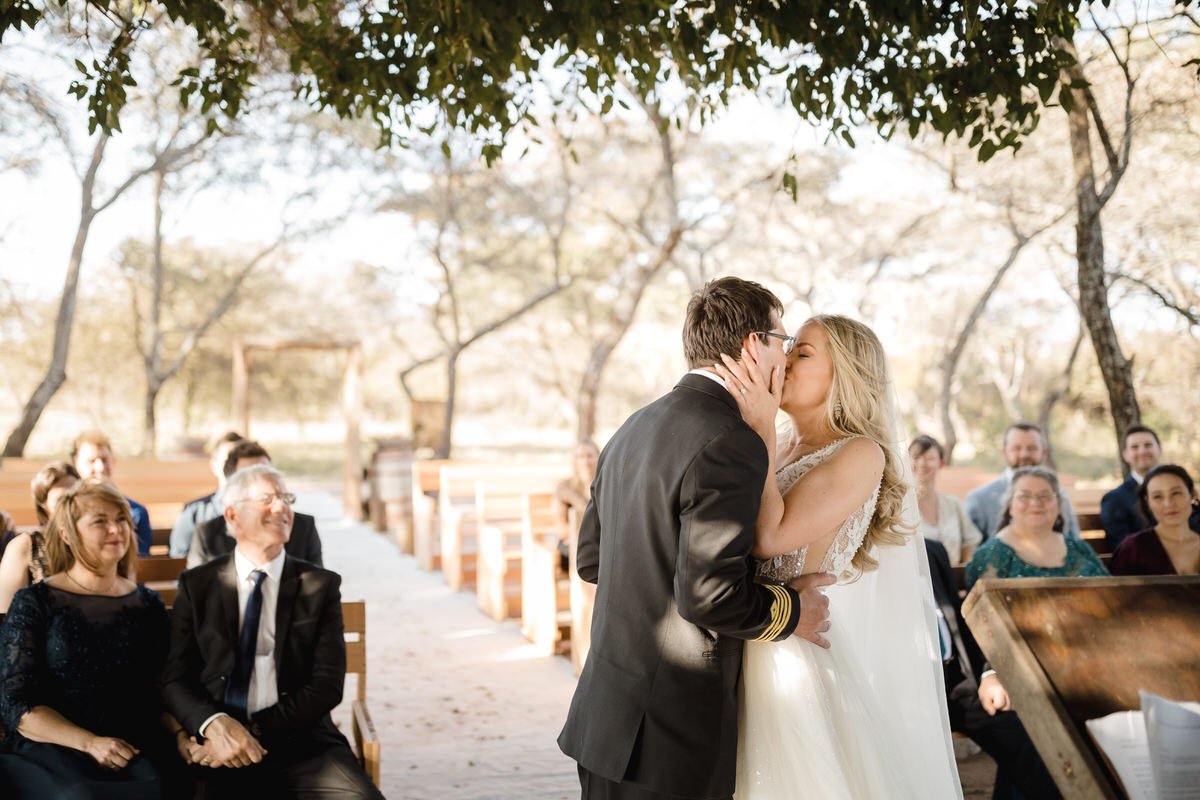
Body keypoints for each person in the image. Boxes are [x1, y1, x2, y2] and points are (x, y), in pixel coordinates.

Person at [557, 277, 833, 800]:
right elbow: (709, 595)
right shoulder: (732, 442)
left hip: (605, 716)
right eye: (784, 342)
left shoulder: (632, 427)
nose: (786, 357)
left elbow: (592, 560)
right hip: (669, 734)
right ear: (754, 345)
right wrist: (793, 612)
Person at [717, 313, 960, 798]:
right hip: (740, 632)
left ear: (844, 374)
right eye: (787, 351)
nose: (783, 362)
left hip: (787, 654)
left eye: (802, 354)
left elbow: (771, 537)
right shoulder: (781, 444)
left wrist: (760, 424)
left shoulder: (860, 453)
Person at [161, 464, 382, 799]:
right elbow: (175, 678)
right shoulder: (198, 585)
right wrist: (214, 726)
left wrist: (251, 732)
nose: (282, 508)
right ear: (232, 516)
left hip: (302, 741)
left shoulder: (320, 585)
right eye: (267, 499)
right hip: (217, 742)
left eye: (286, 498)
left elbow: (327, 685)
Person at [0, 479, 182, 798]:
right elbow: (17, 704)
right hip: (54, 746)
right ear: (67, 535)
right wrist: (89, 743)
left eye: (121, 519)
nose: (116, 529)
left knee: (163, 786)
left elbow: (163, 687)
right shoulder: (36, 601)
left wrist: (181, 734)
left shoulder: (147, 603)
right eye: (101, 521)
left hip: (133, 743)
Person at [924, 539, 1060, 799]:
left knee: (1026, 735)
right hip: (906, 691)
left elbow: (962, 621)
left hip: (957, 680)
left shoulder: (931, 550)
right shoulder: (865, 553)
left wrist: (989, 674)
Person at [966, 466, 1108, 589]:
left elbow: (1112, 595)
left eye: (1044, 495)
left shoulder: (1078, 548)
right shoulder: (991, 556)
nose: (1035, 503)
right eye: (1024, 496)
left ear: (1058, 505)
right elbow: (984, 615)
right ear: (1010, 506)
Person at [186, 440, 322, 569]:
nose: (279, 508)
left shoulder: (303, 526)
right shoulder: (208, 534)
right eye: (250, 474)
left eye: (265, 471)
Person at [964, 423, 1081, 541]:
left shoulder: (1061, 495)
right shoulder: (980, 499)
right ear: (1004, 452)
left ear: (1044, 452)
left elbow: (1074, 541)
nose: (1024, 454)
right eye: (1016, 448)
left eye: (1032, 448)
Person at [1101, 425, 1200, 551]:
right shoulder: (1114, 499)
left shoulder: (1182, 489)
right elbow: (1121, 547)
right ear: (1125, 455)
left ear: (1159, 449)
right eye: (1135, 447)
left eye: (1148, 445)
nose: (1142, 451)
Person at [0, 461, 80, 614]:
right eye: (60, 501)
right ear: (43, 505)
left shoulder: (95, 542)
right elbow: (6, 616)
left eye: (75, 498)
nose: (70, 507)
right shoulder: (25, 546)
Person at [71, 431, 154, 556]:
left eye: (104, 460)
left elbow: (140, 561)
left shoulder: (136, 512)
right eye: (91, 461)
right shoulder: (67, 509)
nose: (100, 467)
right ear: (75, 464)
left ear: (113, 461)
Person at [1109, 464, 1200, 576]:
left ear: (1192, 494)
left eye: (1176, 493)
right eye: (1157, 497)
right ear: (1148, 502)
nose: (1168, 504)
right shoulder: (1132, 549)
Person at [169, 430, 244, 558]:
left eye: (241, 460)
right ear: (214, 465)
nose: (236, 467)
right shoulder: (195, 512)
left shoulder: (266, 512)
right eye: (229, 460)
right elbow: (178, 561)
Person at [910, 434, 983, 565]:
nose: (922, 463)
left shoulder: (953, 504)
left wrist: (964, 571)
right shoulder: (899, 505)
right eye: (916, 457)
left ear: (941, 463)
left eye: (929, 458)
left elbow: (971, 542)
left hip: (950, 580)